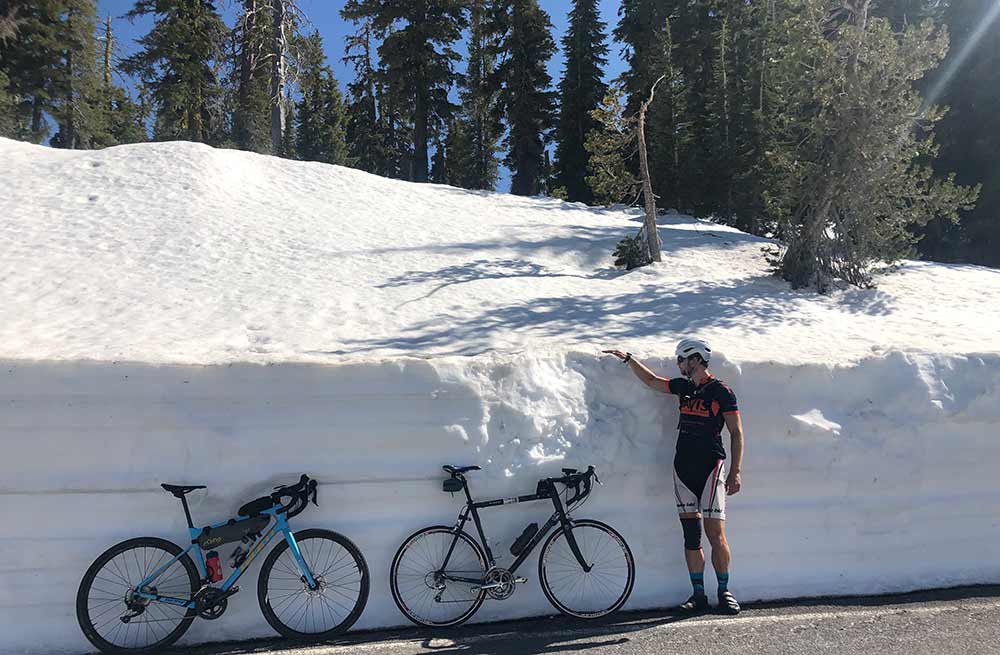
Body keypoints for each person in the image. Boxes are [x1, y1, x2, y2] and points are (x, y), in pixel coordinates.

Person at [604, 339, 744, 615]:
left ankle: (724, 591)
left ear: (695, 359)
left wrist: (736, 471)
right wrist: (629, 359)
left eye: (682, 359)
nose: (679, 364)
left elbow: (736, 433)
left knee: (715, 534)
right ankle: (698, 595)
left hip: (711, 466)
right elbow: (653, 381)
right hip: (682, 467)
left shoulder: (721, 391)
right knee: (691, 536)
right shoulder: (683, 388)